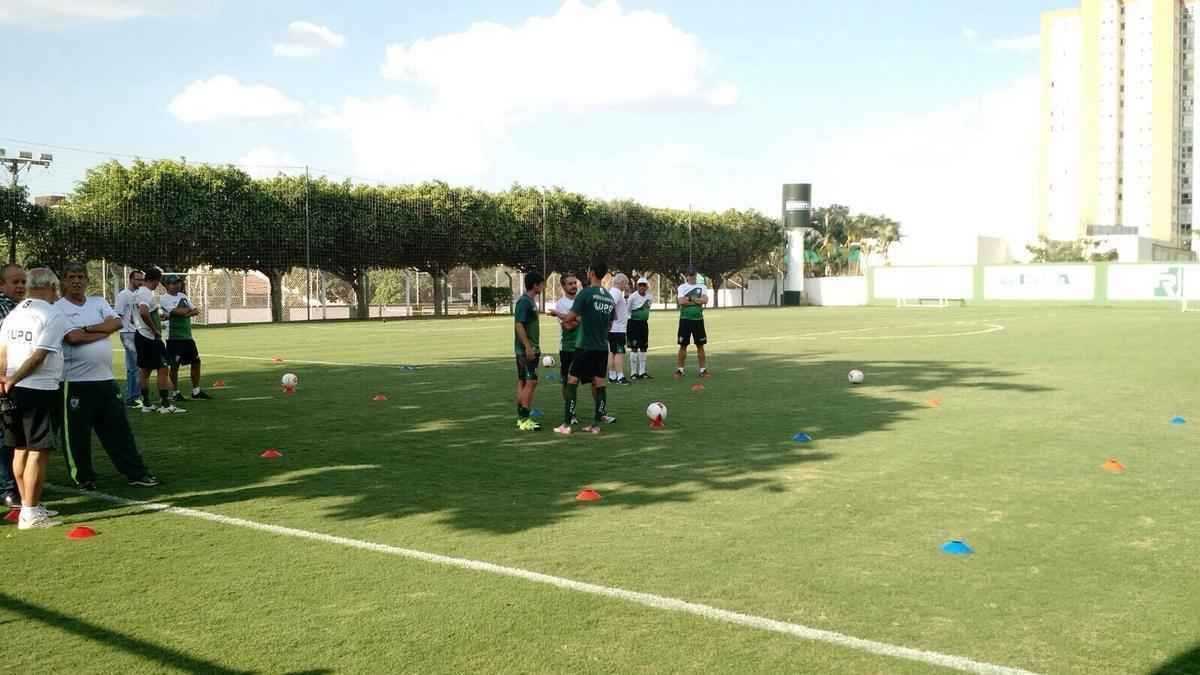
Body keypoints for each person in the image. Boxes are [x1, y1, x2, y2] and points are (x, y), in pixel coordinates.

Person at [56, 262, 160, 490]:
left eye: (81, 276)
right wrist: (101, 330)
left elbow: (117, 322)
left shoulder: (98, 302)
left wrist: (86, 329)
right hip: (74, 382)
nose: (77, 281)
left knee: (119, 430)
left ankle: (136, 473)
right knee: (77, 436)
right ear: (64, 280)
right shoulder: (58, 308)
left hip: (105, 380)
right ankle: (83, 478)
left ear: (87, 280)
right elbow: (72, 338)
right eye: (72, 276)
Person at [0, 268, 68, 529]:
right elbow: (38, 356)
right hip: (39, 388)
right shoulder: (52, 313)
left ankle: (31, 505)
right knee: (38, 451)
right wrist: (14, 379)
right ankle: (29, 511)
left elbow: (3, 351)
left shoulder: (15, 313)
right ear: (51, 286)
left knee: (19, 448)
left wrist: (4, 380)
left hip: (12, 389)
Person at [555, 258, 616, 436]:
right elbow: (610, 324)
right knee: (599, 382)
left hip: (584, 346)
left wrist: (557, 313)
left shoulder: (586, 294)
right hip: (602, 347)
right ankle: (596, 424)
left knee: (572, 380)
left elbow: (569, 318)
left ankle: (566, 424)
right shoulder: (608, 297)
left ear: (590, 273)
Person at [133, 268, 185, 414]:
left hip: (140, 335)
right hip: (150, 338)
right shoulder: (145, 293)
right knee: (163, 368)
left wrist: (157, 319)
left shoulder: (137, 293)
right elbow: (143, 312)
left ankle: (147, 404)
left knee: (145, 370)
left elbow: (138, 315)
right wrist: (154, 328)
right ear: (155, 280)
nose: (158, 285)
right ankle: (165, 405)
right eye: (158, 282)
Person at [160, 274, 212, 401]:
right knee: (174, 365)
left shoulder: (183, 296)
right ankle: (175, 392)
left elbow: (196, 310)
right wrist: (185, 311)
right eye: (173, 283)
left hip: (187, 336)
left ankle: (196, 391)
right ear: (166, 285)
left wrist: (183, 312)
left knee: (196, 362)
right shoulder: (164, 299)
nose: (177, 285)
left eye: (178, 282)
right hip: (173, 337)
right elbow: (179, 312)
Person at [0, 263, 26, 508]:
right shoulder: (2, 308)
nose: (20, 286)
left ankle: (15, 485)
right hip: (4, 379)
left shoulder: (23, 307)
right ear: (1, 284)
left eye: (23, 282)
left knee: (13, 434)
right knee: (4, 436)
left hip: (17, 380)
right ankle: (7, 488)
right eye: (15, 282)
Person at [547, 273, 580, 426]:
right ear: (563, 286)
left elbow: (577, 321)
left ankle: (601, 412)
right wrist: (578, 319)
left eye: (575, 283)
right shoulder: (561, 304)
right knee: (567, 381)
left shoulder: (582, 300)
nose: (574, 286)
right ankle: (570, 412)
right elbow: (567, 326)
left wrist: (572, 318)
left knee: (593, 379)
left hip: (583, 346)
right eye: (570, 284)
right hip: (567, 348)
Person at [513, 271, 545, 431]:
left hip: (526, 349)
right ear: (535, 285)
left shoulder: (530, 301)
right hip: (527, 350)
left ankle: (521, 418)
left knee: (524, 382)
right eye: (542, 284)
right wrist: (528, 347)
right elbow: (519, 324)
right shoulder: (525, 302)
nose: (543, 287)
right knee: (531, 382)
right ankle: (525, 419)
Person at [113, 269, 144, 407]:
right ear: (131, 280)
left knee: (138, 365)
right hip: (127, 333)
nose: (140, 282)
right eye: (138, 279)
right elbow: (118, 314)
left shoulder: (139, 294)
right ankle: (133, 397)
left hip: (139, 332)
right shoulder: (123, 295)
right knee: (134, 366)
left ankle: (135, 394)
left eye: (142, 280)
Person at [675, 266, 710, 378]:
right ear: (686, 276)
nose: (691, 277)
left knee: (700, 346)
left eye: (693, 274)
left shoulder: (702, 287)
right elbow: (681, 301)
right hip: (685, 320)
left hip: (698, 320)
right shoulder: (682, 287)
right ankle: (680, 370)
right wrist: (696, 300)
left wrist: (690, 299)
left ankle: (703, 370)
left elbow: (705, 300)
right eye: (689, 275)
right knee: (683, 345)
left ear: (696, 275)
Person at [607, 273, 631, 386]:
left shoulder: (613, 292)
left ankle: (612, 375)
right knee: (619, 352)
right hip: (617, 329)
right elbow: (610, 305)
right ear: (621, 283)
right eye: (626, 283)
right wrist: (613, 318)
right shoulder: (616, 293)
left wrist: (626, 295)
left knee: (612, 352)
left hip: (613, 329)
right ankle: (620, 376)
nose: (626, 286)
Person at [627, 277, 653, 380]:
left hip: (644, 324)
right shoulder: (632, 297)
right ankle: (633, 373)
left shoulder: (650, 297)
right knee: (634, 348)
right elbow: (627, 311)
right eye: (640, 285)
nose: (642, 287)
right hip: (633, 324)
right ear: (637, 286)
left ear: (647, 286)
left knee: (643, 347)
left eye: (644, 285)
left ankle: (642, 372)